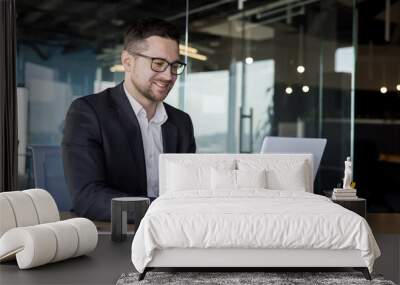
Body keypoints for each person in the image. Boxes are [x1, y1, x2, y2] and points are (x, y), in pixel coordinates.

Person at [62, 18, 196, 221]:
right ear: (128, 62)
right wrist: (160, 210)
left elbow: (189, 191)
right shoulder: (88, 113)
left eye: (175, 65)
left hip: (173, 233)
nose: (169, 76)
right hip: (115, 236)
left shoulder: (181, 122)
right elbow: (88, 198)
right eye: (158, 63)